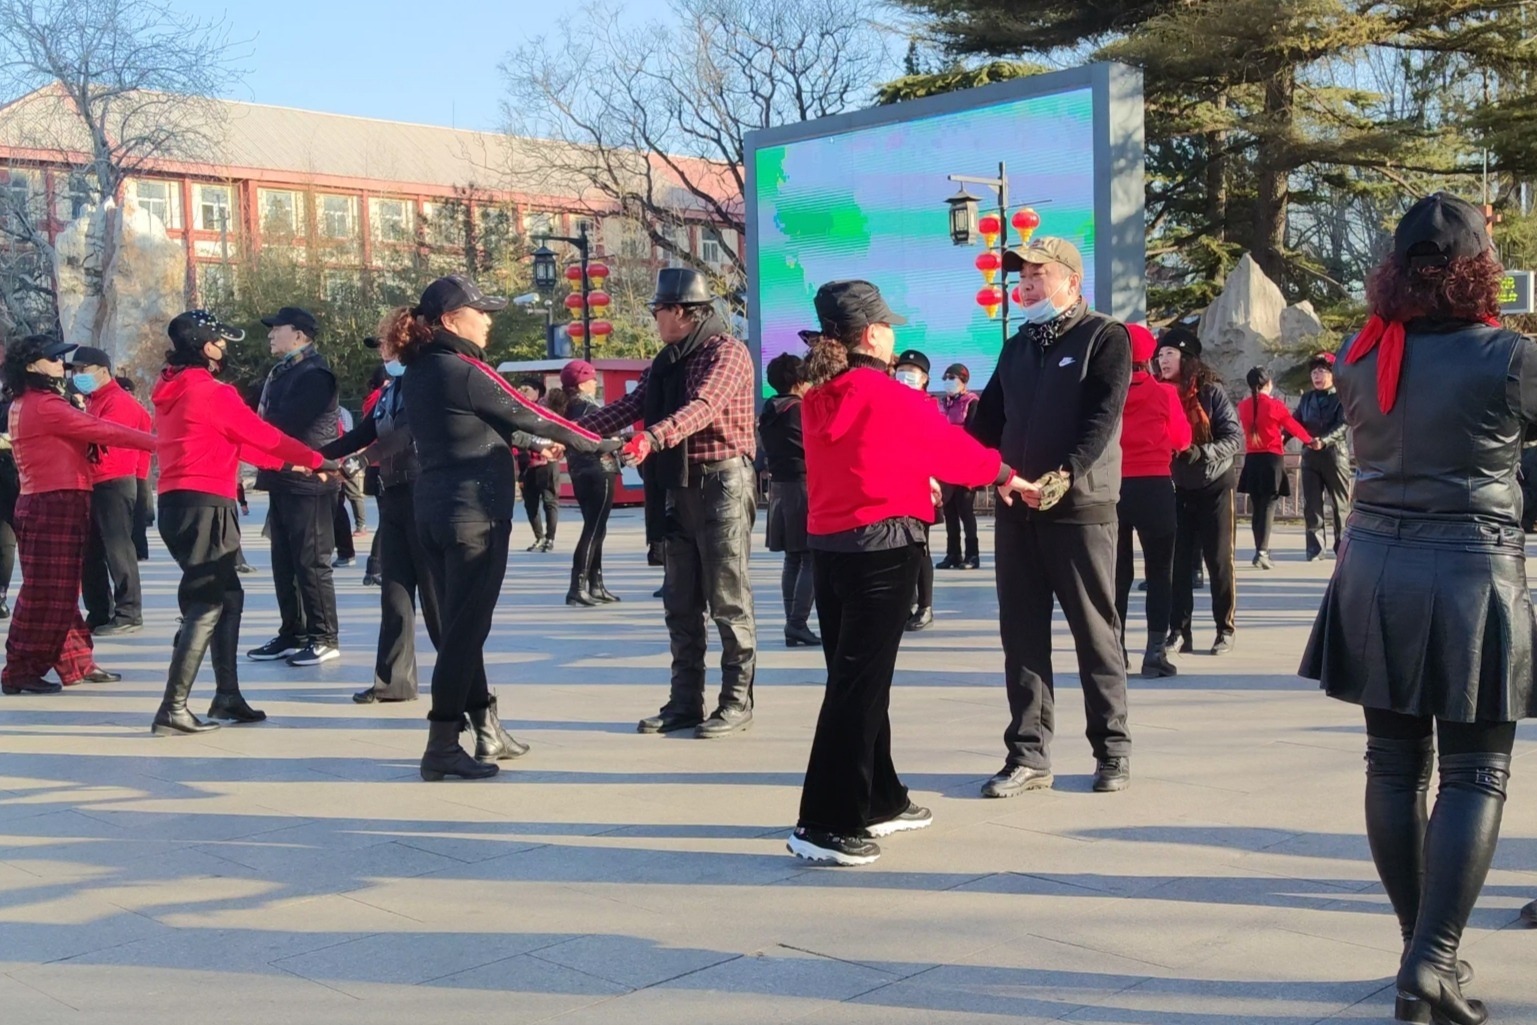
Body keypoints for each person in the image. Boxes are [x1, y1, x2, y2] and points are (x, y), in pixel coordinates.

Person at [1300, 192, 1533, 1025]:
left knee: (1391, 767)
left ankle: (1416, 951)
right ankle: (1429, 958)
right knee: (1474, 770)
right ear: (1478, 268)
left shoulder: (1359, 353)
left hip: (1373, 567)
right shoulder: (1508, 354)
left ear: (1396, 267)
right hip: (1470, 570)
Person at [787, 280, 1034, 865]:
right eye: (889, 325)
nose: (896, 333)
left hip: (832, 550)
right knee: (857, 688)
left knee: (858, 681)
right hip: (885, 548)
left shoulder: (817, 396)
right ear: (872, 334)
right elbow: (951, 453)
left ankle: (881, 798)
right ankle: (823, 822)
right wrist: (1006, 475)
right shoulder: (892, 396)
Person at [389, 274, 620, 781]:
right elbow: (535, 413)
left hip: (432, 511)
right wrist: (599, 444)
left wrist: (533, 445)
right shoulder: (465, 369)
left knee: (458, 630)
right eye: (482, 311)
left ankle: (484, 728)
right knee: (464, 636)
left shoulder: (419, 371)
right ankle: (443, 741)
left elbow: (480, 426)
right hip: (475, 514)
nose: (489, 320)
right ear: (452, 320)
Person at [971, 236, 1134, 798]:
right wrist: (952, 466)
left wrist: (1064, 474)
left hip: (1080, 510)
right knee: (1021, 635)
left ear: (1072, 280)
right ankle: (1028, 755)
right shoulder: (1016, 347)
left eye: (1040, 271)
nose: (1027, 280)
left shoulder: (1105, 337)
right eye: (1021, 272)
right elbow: (986, 423)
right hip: (1018, 510)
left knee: (1095, 634)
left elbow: (1102, 417)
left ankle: (1111, 749)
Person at [580, 268, 758, 739]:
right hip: (679, 487)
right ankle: (684, 703)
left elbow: (703, 407)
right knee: (680, 602)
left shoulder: (728, 353)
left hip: (723, 484)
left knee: (727, 600)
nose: (655, 318)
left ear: (681, 311)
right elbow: (633, 404)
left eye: (658, 309)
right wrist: (572, 434)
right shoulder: (669, 359)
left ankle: (736, 701)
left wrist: (652, 439)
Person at [150, 311, 335, 735]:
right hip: (206, 505)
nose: (225, 349)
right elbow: (261, 434)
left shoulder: (170, 388)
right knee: (207, 602)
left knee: (228, 598)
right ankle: (173, 707)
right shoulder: (213, 392)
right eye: (219, 341)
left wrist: (295, 466)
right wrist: (314, 458)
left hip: (179, 502)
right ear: (204, 345)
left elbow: (236, 443)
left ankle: (227, 696)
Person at [1, 335, 155, 695]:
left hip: (53, 499)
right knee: (46, 594)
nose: (63, 366)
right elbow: (102, 430)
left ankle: (76, 663)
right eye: (54, 359)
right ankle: (20, 669)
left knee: (61, 591)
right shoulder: (45, 405)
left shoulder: (33, 400)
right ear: (30, 366)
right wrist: (160, 443)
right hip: (53, 501)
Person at [321, 334, 438, 703]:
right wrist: (314, 457)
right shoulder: (390, 393)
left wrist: (362, 458)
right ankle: (393, 681)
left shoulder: (427, 387)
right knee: (395, 593)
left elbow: (405, 435)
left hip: (424, 495)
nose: (384, 355)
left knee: (437, 598)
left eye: (389, 348)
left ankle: (463, 678)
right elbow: (362, 433)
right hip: (394, 497)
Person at [246, 306, 342, 667]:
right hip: (283, 479)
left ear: (299, 335)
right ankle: (293, 633)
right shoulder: (283, 370)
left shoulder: (315, 374)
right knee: (284, 562)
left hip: (309, 482)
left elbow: (287, 423)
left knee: (312, 562)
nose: (270, 335)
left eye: (277, 329)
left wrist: (248, 430)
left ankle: (324, 636)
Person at [1158, 325, 1243, 657]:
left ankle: (1225, 628)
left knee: (1218, 561)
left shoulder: (1211, 393)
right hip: (1179, 487)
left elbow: (1235, 438)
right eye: (1159, 355)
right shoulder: (1160, 393)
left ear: (1187, 358)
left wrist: (1202, 452)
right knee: (1178, 563)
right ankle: (1179, 630)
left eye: (1169, 353)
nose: (1162, 360)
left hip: (1215, 484)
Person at [1115, 325, 1192, 679]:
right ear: (1149, 357)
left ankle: (1114, 651)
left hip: (1112, 488)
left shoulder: (1105, 393)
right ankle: (1155, 652)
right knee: (1160, 573)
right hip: (1156, 487)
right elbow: (1182, 438)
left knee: (1115, 574)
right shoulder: (1164, 394)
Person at [73, 347, 152, 636]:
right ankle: (98, 611)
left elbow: (103, 437)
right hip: (94, 481)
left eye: (84, 369)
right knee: (90, 551)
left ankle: (129, 611)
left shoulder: (118, 401)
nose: (78, 375)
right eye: (76, 370)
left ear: (104, 371)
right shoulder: (95, 400)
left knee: (117, 548)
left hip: (113, 480)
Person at [548, 360, 621, 607]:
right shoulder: (591, 408)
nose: (594, 382)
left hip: (579, 471)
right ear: (582, 382)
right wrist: (619, 442)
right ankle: (577, 585)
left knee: (593, 525)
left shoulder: (566, 408)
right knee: (595, 528)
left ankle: (596, 584)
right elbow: (598, 441)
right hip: (600, 468)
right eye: (592, 378)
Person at [758, 351, 817, 647]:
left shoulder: (770, 409)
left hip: (780, 488)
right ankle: (797, 622)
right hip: (804, 487)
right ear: (799, 381)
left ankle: (792, 622)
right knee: (810, 556)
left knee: (793, 557)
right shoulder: (799, 410)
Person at [1236, 366, 1314, 569]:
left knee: (1257, 508)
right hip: (1271, 459)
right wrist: (1310, 440)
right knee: (1269, 507)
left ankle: (1258, 549)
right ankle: (1262, 552)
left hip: (1252, 459)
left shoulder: (1243, 406)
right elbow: (1293, 426)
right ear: (1268, 383)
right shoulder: (1275, 405)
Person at [892, 349, 939, 631]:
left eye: (912, 371)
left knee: (920, 548)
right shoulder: (889, 401)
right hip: (893, 485)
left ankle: (925, 606)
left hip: (920, 484)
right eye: (901, 369)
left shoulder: (927, 405)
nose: (905, 375)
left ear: (924, 378)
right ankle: (905, 603)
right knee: (899, 548)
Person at [1293, 352, 1352, 560]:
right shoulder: (1307, 398)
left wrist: (1324, 440)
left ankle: (1343, 546)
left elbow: (1344, 423)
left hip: (1334, 455)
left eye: (1322, 371)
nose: (1317, 376)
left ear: (1332, 374)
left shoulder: (1341, 396)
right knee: (1312, 503)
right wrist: (1277, 441)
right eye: (1314, 372)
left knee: (1339, 504)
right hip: (1310, 456)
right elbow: (1294, 423)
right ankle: (1315, 548)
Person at [936, 363, 981, 570]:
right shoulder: (942, 403)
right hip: (945, 464)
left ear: (964, 381)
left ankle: (972, 555)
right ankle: (952, 554)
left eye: (952, 378)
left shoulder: (971, 403)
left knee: (965, 510)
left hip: (965, 464)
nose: (948, 382)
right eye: (945, 378)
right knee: (950, 511)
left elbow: (974, 434)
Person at [115, 375, 155, 562]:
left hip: (138, 467)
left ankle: (139, 548)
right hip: (128, 467)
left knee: (138, 512)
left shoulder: (137, 410)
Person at [518, 378, 560, 553]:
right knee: (530, 503)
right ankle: (539, 536)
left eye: (526, 389)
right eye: (520, 389)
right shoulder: (518, 413)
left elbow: (561, 431)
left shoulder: (547, 414)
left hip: (547, 462)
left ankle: (550, 538)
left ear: (537, 392)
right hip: (527, 463)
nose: (522, 392)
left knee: (549, 501)